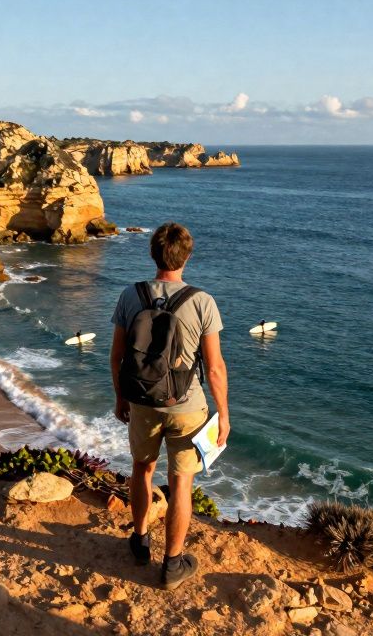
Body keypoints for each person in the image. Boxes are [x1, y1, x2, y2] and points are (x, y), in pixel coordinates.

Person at [110, 221, 229, 589]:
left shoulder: (131, 295)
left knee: (142, 468)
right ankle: (173, 564)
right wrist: (223, 414)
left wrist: (121, 397)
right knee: (181, 484)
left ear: (152, 253)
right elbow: (214, 367)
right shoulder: (202, 301)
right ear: (187, 256)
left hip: (143, 402)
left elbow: (116, 356)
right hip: (187, 406)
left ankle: (141, 539)